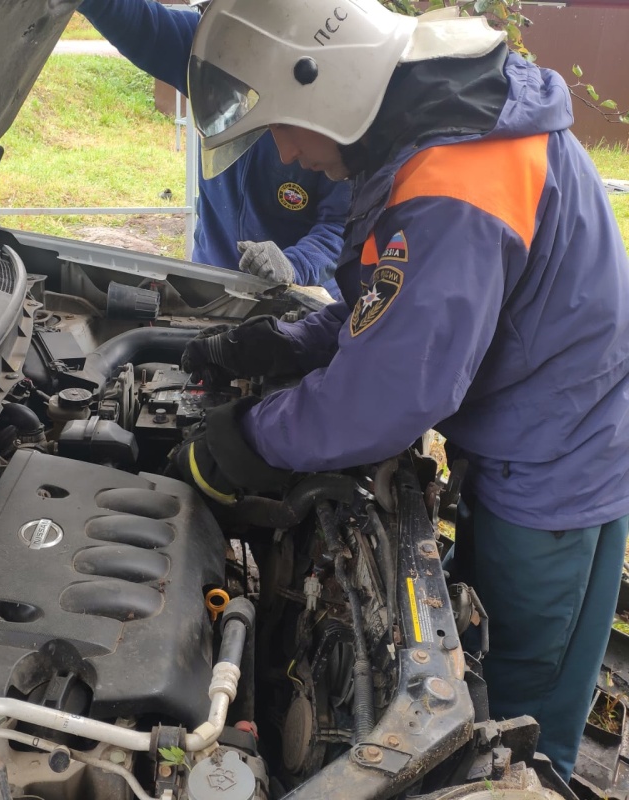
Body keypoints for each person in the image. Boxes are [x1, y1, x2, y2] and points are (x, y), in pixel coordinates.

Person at [177, 0, 629, 783]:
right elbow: (389, 307)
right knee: (502, 655)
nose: (287, 153)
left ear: (329, 92)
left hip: (558, 464)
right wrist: (283, 343)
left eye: (286, 128)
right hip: (549, 428)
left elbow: (389, 391)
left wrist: (249, 438)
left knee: (517, 718)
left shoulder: (456, 179)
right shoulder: (435, 116)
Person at [76, 0, 351, 297]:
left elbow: (340, 225)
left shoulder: (332, 99)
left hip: (299, 298)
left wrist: (294, 264)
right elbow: (145, 26)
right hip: (211, 285)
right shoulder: (212, 53)